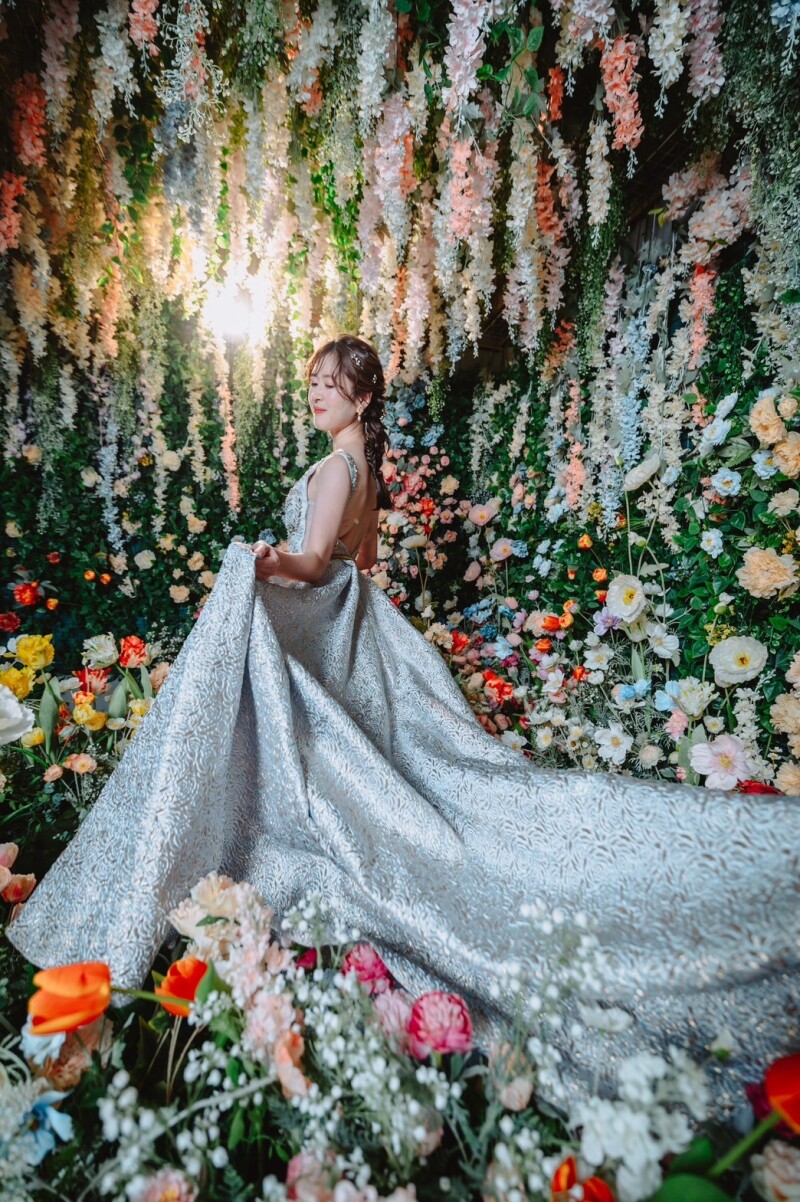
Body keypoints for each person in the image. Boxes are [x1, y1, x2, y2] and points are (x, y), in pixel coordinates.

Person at [7, 334, 800, 1116]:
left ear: (360, 398)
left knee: (293, 745)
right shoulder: (366, 472)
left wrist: (261, 561)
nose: (315, 394)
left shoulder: (333, 469)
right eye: (311, 381)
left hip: (315, 619)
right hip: (344, 629)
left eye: (329, 384)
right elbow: (363, 565)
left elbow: (316, 563)